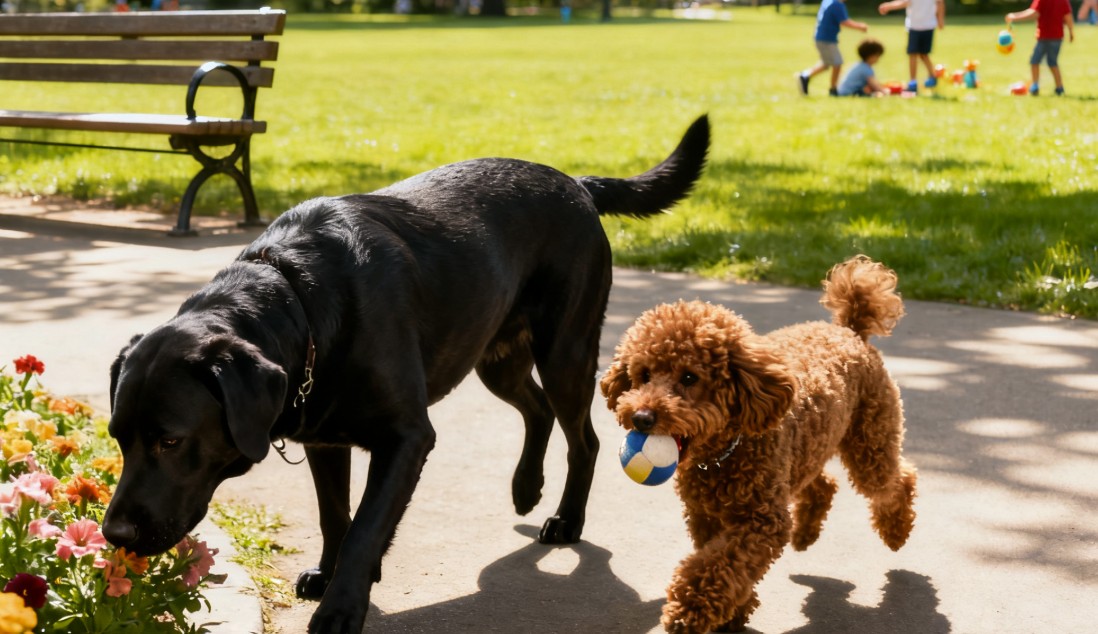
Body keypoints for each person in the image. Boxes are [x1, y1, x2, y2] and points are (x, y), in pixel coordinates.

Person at [797, 0, 870, 96]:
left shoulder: (828, 1)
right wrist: (860, 27)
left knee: (826, 64)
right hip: (827, 39)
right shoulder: (837, 4)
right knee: (837, 63)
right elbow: (844, 22)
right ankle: (833, 89)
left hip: (822, 38)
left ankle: (805, 76)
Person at [1007, 0, 1075, 95]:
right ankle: (1059, 88)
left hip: (1044, 36)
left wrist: (1015, 17)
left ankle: (1035, 86)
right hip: (1057, 37)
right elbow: (1068, 16)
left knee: (1034, 61)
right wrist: (1071, 32)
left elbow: (1034, 13)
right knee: (1052, 63)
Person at [879, 0, 945, 93]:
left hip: (928, 26)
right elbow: (905, 2)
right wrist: (889, 6)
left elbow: (940, 3)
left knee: (923, 54)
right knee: (913, 53)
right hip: (914, 26)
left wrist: (940, 19)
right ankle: (913, 82)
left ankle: (932, 76)